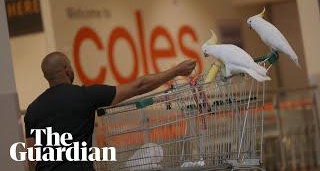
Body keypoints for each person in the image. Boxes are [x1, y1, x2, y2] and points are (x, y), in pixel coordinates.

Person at [24, 51, 196, 171]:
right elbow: (139, 86)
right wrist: (176, 70)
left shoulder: (32, 110)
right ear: (67, 69)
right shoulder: (85, 95)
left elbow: (32, 158)